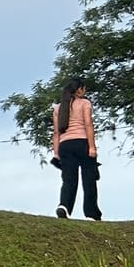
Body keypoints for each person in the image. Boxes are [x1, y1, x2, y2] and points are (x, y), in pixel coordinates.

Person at [50, 79, 101, 222]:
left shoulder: (58, 108)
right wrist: (92, 147)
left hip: (65, 146)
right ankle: (91, 214)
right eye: (84, 89)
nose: (85, 92)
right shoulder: (85, 103)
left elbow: (56, 133)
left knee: (69, 179)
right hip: (82, 143)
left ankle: (64, 206)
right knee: (89, 179)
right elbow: (88, 124)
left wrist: (56, 153)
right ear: (79, 90)